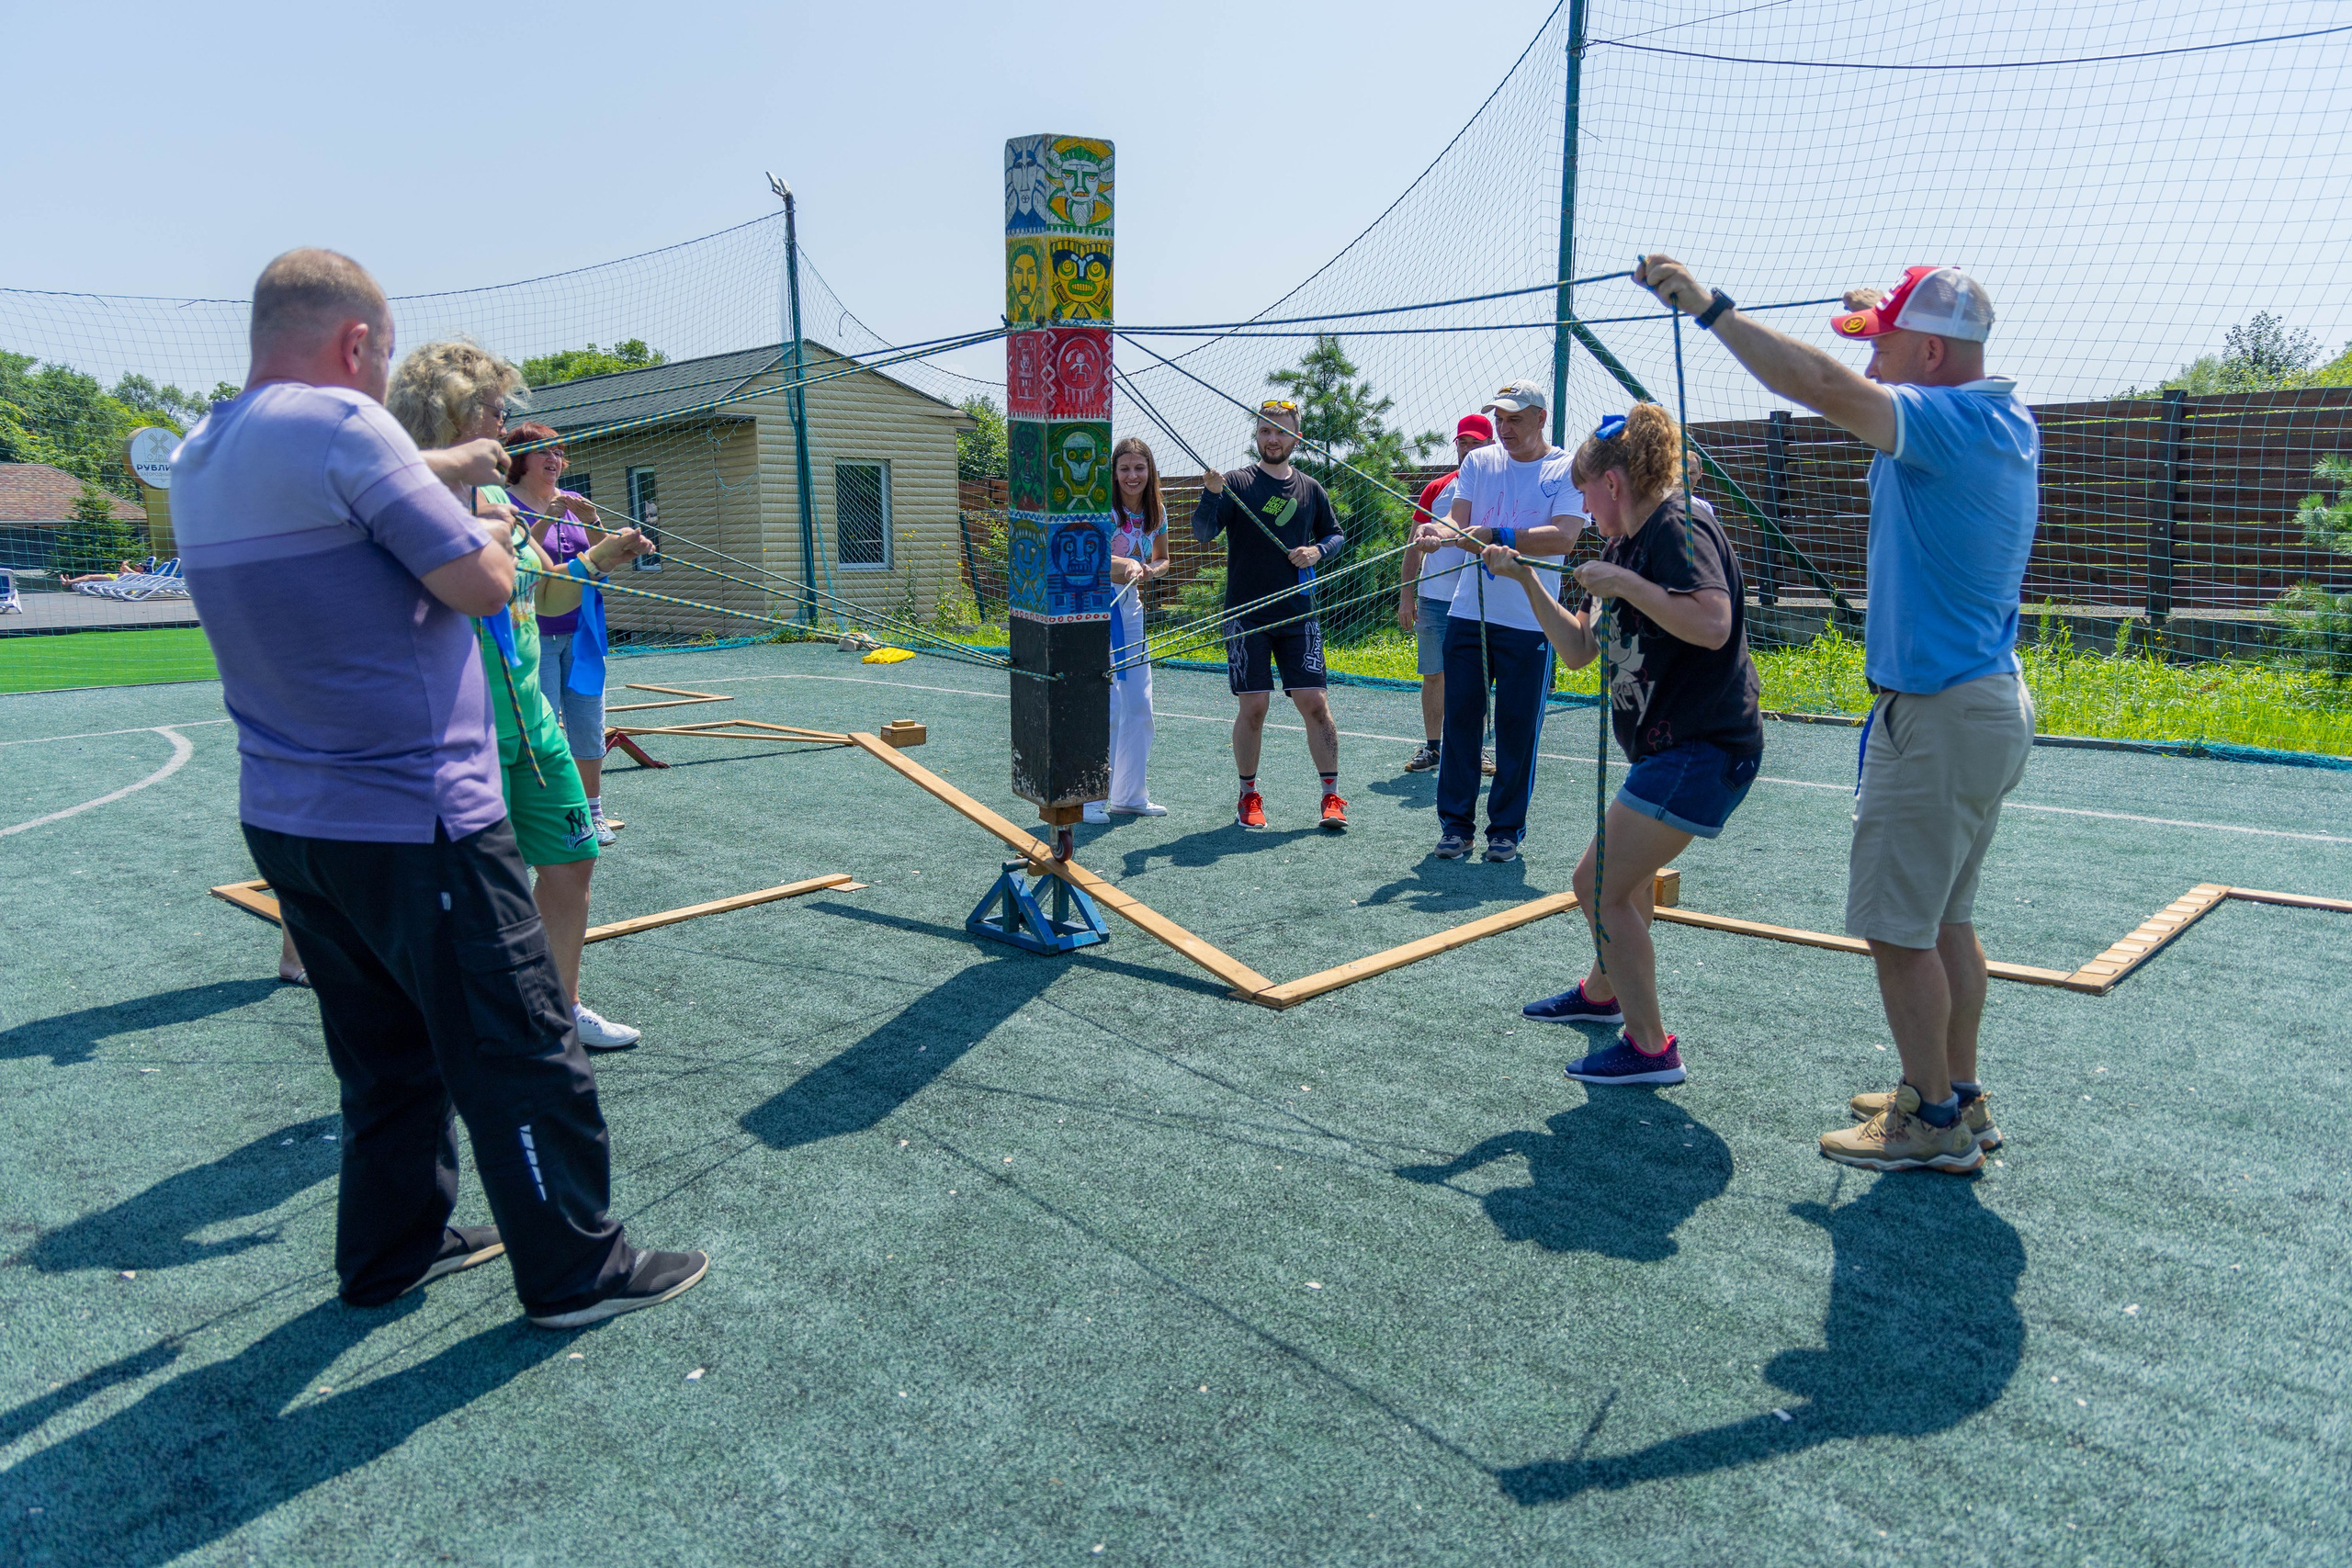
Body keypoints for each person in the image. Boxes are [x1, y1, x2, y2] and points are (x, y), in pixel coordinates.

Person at [172, 247, 704, 1326]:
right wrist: (490, 524)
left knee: (386, 1055)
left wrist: (454, 462)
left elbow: (342, 509)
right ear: (355, 343)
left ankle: (391, 1252)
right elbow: (483, 584)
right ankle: (577, 1271)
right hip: (416, 815)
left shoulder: (202, 450)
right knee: (522, 1046)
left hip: (287, 817)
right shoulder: (345, 425)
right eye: (380, 356)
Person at [1634, 255, 2036, 1174]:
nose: (1871, 363)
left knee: (1899, 930)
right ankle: (1957, 1096)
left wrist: (1711, 308)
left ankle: (1930, 1121)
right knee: (1946, 920)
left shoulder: (1943, 421)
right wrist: (1877, 318)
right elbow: (1874, 365)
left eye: (1887, 347)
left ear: (1930, 354)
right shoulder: (2003, 416)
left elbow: (1816, 385)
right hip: (1983, 703)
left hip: (1937, 714)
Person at [386, 340, 652, 1053]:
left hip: (535, 727)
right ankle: (459, 1032)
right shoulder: (402, 502)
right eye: (493, 410)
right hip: (459, 737)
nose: (504, 425)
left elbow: (545, 594)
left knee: (573, 860)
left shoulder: (499, 499)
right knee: (471, 896)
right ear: (451, 413)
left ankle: (557, 1010)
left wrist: (600, 558)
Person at [1492, 403, 1765, 1086]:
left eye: (1585, 494)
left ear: (1612, 483)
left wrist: (1625, 586)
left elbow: (1712, 623)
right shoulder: (1619, 547)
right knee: (1627, 882)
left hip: (1704, 746)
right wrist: (1526, 576)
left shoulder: (1679, 525)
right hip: (1670, 750)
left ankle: (1650, 1048)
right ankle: (1602, 994)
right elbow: (1579, 650)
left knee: (1597, 885)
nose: (1584, 509)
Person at [1408, 379, 1586, 863]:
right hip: (1468, 614)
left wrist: (1499, 535)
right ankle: (1456, 827)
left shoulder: (1567, 468)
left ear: (1541, 419)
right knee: (1461, 723)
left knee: (1517, 730)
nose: (1504, 429)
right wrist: (1436, 531)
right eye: (1499, 420)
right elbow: (1459, 523)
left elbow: (1564, 537)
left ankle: (1505, 831)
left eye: (1514, 419)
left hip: (1532, 622)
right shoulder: (1479, 462)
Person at [1193, 400, 1347, 830]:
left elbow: (1335, 535)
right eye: (1265, 430)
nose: (1272, 438)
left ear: (1296, 437)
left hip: (1299, 614)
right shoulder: (1236, 483)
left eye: (1281, 431)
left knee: (1315, 703)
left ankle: (1331, 796)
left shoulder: (1311, 488)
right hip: (1246, 615)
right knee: (1255, 706)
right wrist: (1211, 494)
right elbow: (1203, 532)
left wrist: (1317, 551)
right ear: (1256, 436)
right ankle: (1248, 796)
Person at [506, 423, 619, 845]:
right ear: (519, 460)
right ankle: (547, 813)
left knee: (588, 725)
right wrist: (544, 521)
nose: (554, 460)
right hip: (532, 636)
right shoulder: (505, 504)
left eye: (557, 452)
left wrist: (593, 521)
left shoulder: (572, 504)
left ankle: (593, 811)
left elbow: (602, 561)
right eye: (543, 452)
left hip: (582, 633)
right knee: (541, 730)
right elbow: (515, 560)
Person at [1398, 414, 1497, 775]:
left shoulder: (1501, 487)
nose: (1468, 449)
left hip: (1480, 600)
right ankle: (1434, 747)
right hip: (1435, 599)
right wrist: (1406, 595)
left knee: (1478, 677)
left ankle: (1476, 748)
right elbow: (1413, 545)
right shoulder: (1436, 488)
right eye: (1463, 443)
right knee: (1434, 674)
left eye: (1475, 443)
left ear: (1490, 446)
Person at [1086, 436, 1170, 825]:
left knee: (1139, 704)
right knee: (1109, 705)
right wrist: (1126, 564)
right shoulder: (1102, 509)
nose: (1132, 476)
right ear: (1114, 473)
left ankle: (1130, 796)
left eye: (1139, 468)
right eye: (1124, 469)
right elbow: (1091, 556)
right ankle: (1090, 798)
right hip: (1097, 607)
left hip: (1130, 607)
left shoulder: (1157, 511)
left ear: (1150, 471)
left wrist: (1150, 569)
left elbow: (1163, 558)